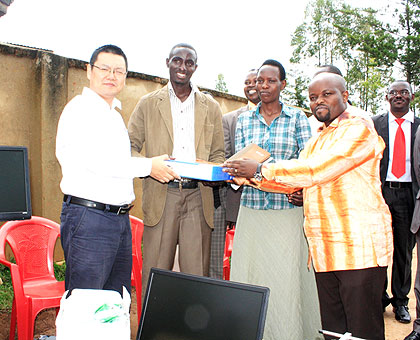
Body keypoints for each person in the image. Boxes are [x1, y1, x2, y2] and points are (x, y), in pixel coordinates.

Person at [224, 72, 393, 340]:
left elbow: (317, 169)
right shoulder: (318, 137)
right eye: (313, 98)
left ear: (344, 96)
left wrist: (260, 168)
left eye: (327, 94)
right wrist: (249, 178)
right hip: (324, 251)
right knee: (333, 331)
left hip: (357, 249)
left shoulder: (359, 127)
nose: (318, 102)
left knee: (362, 332)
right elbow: (297, 183)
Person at [55, 44, 177, 296]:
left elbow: (119, 161)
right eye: (105, 68)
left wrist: (153, 164)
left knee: (113, 301)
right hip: (89, 220)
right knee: (87, 302)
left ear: (125, 77)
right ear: (89, 71)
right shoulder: (80, 110)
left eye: (119, 71)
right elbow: (99, 161)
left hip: (117, 220)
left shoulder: (113, 115)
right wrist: (149, 166)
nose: (111, 76)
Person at [228, 59, 321, 340]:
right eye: (259, 81)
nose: (264, 86)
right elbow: (240, 164)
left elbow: (308, 164)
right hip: (253, 209)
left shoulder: (297, 119)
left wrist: (288, 183)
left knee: (286, 279)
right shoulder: (244, 120)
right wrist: (238, 173)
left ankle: (288, 332)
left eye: (270, 81)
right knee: (251, 274)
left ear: (283, 84)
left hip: (287, 212)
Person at [127, 43, 225, 298]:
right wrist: (150, 167)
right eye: (177, 60)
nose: (183, 66)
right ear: (167, 62)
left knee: (196, 278)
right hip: (162, 195)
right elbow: (129, 147)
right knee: (155, 274)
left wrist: (214, 174)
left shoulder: (211, 106)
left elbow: (218, 155)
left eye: (189, 62)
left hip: (197, 196)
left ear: (195, 67)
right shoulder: (148, 103)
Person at [372, 80, 420, 323]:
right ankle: (379, 298)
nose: (398, 96)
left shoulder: (419, 125)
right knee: (379, 248)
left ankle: (401, 302)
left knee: (404, 250)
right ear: (387, 96)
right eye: (394, 92)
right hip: (380, 193)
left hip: (409, 195)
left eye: (404, 92)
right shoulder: (374, 123)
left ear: (411, 96)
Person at [209, 69, 260, 279]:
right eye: (247, 82)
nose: (251, 86)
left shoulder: (285, 119)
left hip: (269, 199)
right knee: (225, 260)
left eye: (256, 81)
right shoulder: (230, 120)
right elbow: (225, 158)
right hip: (234, 200)